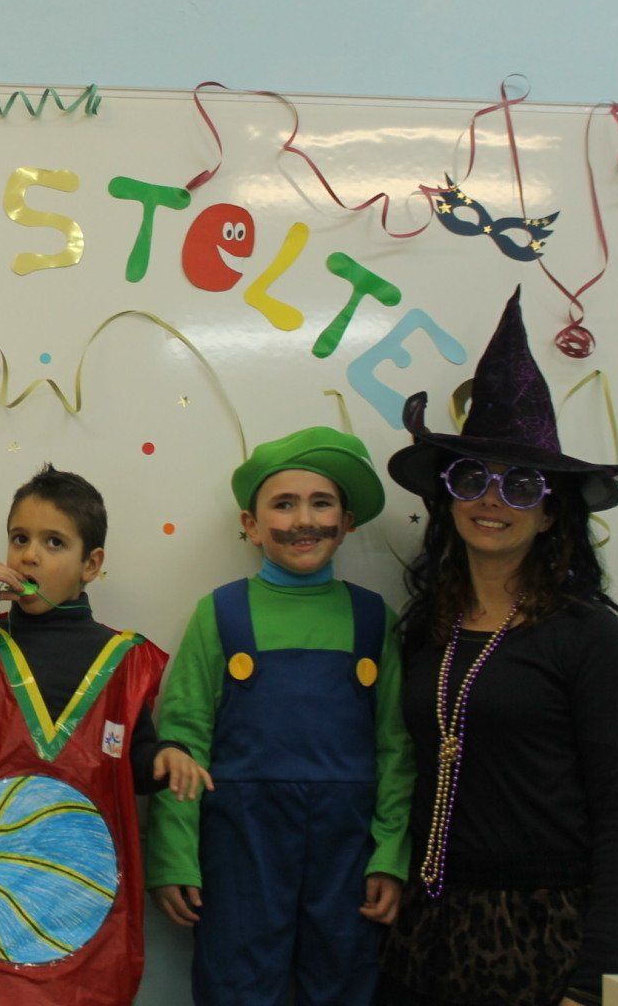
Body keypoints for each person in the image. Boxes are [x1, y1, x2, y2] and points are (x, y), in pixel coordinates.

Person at [376, 290, 618, 1006]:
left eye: (522, 484)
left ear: (551, 512)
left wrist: (593, 981)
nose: (492, 499)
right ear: (448, 496)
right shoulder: (425, 628)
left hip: (558, 934)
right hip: (436, 930)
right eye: (473, 477)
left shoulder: (588, 636)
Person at [0, 465, 207, 1005]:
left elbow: (133, 762)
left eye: (54, 542)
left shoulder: (124, 658)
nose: (29, 556)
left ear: (91, 564)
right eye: (19, 539)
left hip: (73, 912)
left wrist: (166, 757)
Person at [146, 425, 414, 1005]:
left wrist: (391, 854)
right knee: (235, 987)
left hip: (348, 856)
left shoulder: (375, 620)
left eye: (322, 503)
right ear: (251, 523)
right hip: (241, 851)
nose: (303, 520)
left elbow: (396, 749)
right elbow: (182, 740)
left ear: (347, 521)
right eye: (284, 504)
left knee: (346, 985)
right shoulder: (220, 613)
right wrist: (173, 857)